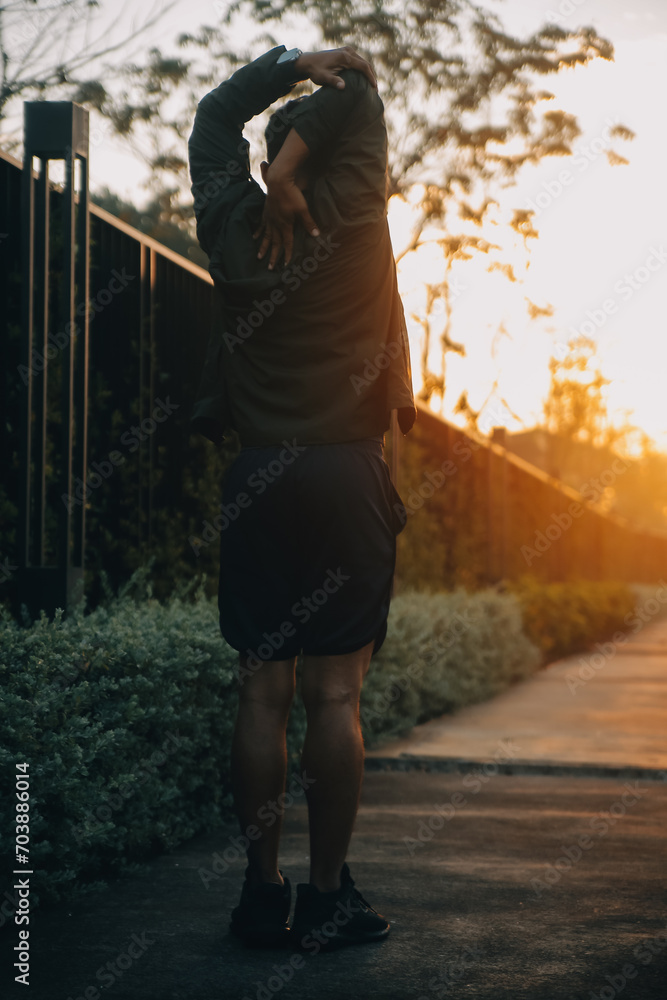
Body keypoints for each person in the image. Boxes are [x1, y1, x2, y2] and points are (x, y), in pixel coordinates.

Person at [187, 43, 417, 951]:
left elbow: (212, 117)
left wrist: (288, 68)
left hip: (259, 476)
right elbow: (361, 98)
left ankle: (259, 896)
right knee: (333, 697)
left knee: (259, 690)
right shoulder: (355, 220)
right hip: (345, 473)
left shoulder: (229, 223)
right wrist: (307, 151)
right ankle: (325, 898)